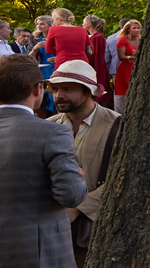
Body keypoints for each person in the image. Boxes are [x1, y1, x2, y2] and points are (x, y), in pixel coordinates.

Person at [0, 54, 88, 268]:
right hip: (38, 251)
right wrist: (77, 176)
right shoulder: (52, 133)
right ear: (37, 89)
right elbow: (71, 195)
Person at [47, 60, 122, 267]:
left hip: (94, 229)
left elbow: (121, 177)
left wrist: (78, 208)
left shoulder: (115, 125)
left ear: (88, 91)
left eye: (68, 89)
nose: (59, 95)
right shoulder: (49, 126)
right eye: (56, 89)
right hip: (51, 227)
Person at [114, 19, 143, 113]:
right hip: (125, 69)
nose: (136, 30)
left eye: (138, 28)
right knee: (124, 91)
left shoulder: (141, 39)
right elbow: (121, 57)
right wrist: (131, 56)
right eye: (134, 28)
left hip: (138, 67)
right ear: (128, 29)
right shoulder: (123, 40)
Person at [82, 15, 111, 106]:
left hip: (96, 66)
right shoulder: (94, 37)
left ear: (89, 24)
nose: (82, 24)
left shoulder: (97, 37)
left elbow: (95, 55)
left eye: (84, 22)